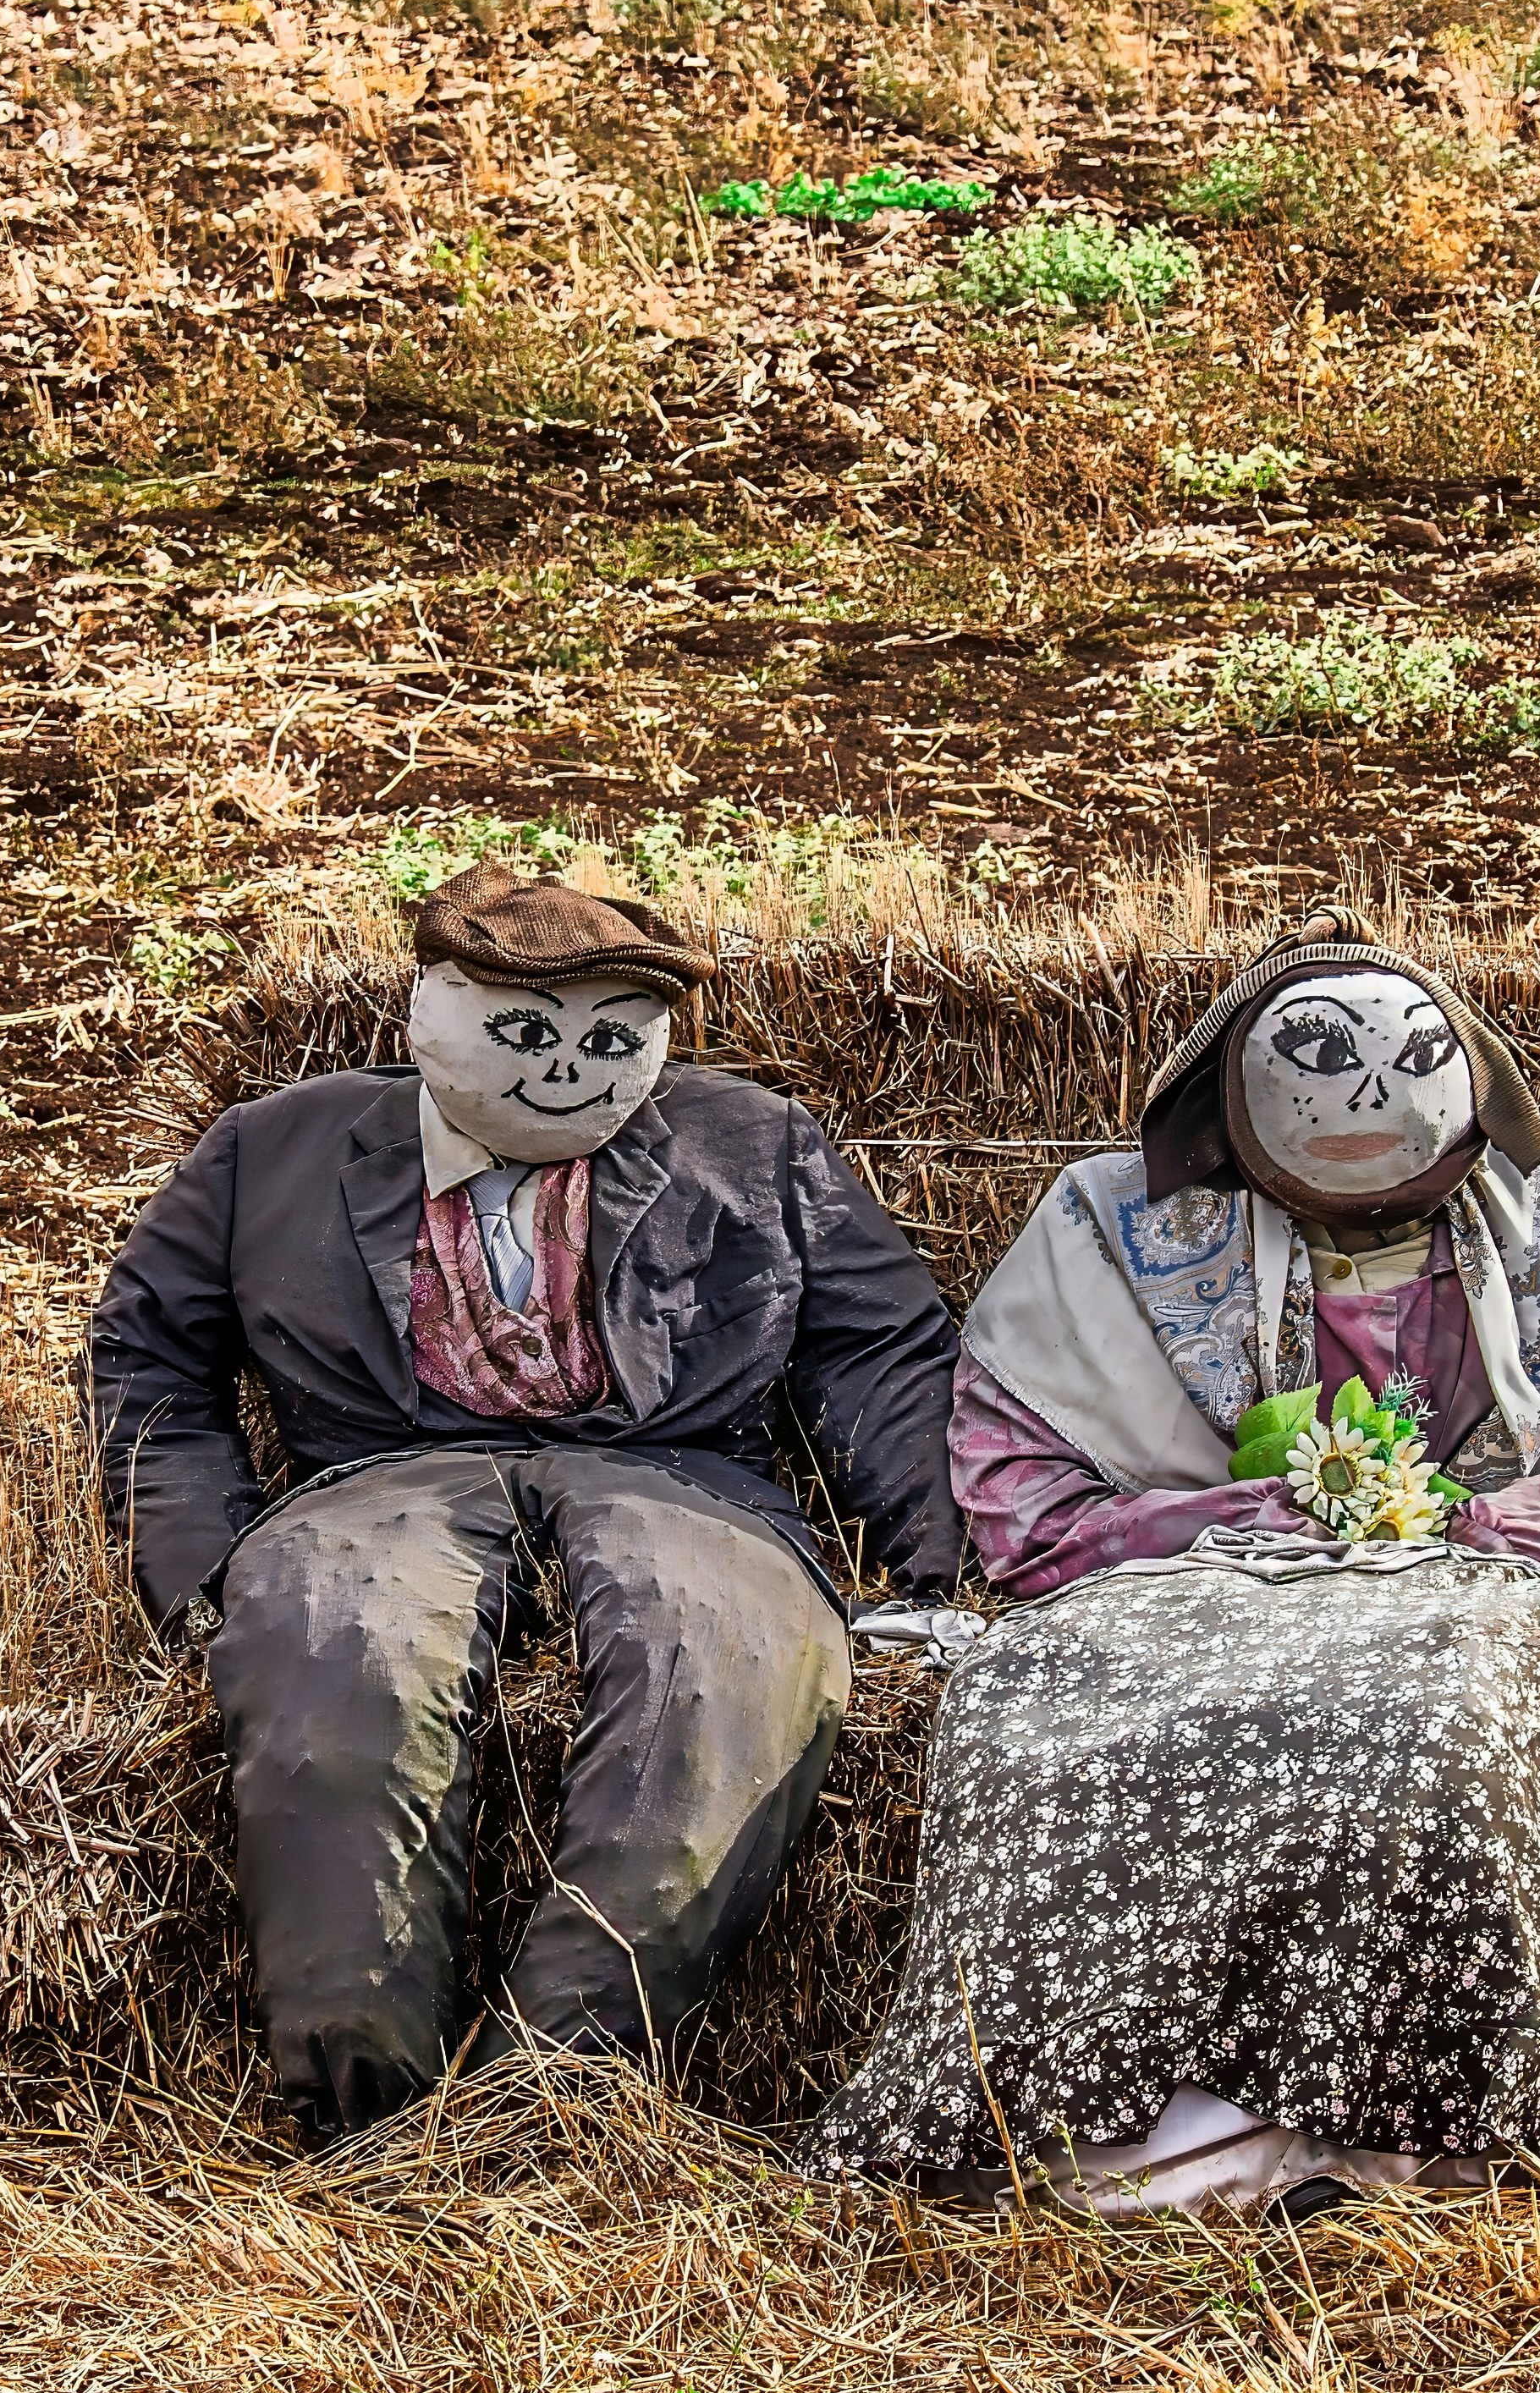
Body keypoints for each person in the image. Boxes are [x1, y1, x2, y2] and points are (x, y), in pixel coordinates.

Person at [799, 916, 1540, 2215]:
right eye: (1320, 1069)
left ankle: (1420, 2122)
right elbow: (1024, 1496)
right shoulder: (1109, 1224)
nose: (1366, 1101)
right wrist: (1235, 1528)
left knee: (1441, 1722)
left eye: (1400, 1070)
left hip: (1479, 1585)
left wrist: (1480, 1528)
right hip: (1183, 1587)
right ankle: (1135, 2131)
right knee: (1030, 1728)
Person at [88, 862, 961, 2146]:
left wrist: (933, 1567)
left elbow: (878, 1347)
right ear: (435, 1016)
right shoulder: (271, 1146)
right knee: (342, 1662)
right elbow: (150, 1351)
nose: (566, 1068)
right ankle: (364, 2102)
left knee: (720, 1671)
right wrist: (203, 1557)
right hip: (378, 1474)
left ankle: (555, 2095)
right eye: (524, 1032)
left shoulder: (756, 1143)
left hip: (677, 1472)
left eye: (609, 1040)